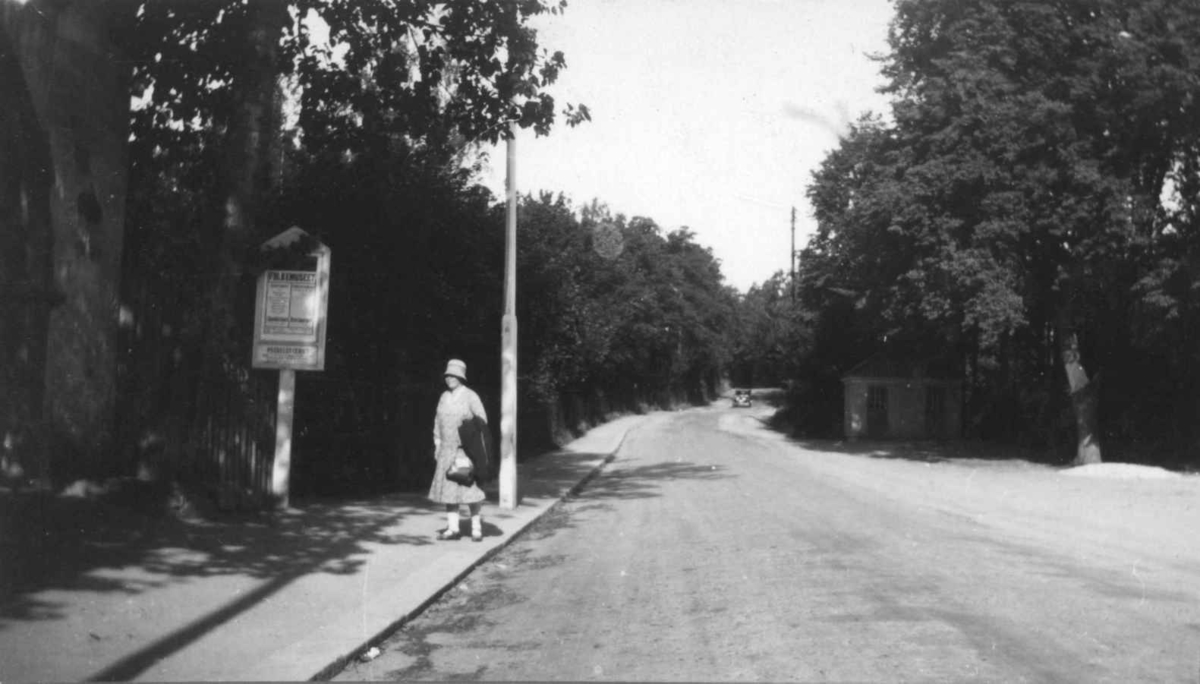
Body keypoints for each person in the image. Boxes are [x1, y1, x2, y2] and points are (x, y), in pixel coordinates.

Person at [429, 359, 488, 542]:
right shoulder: (444, 397)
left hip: (465, 451)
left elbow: (482, 421)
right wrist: (437, 443)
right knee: (449, 491)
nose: (450, 379)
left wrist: (470, 433)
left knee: (469, 489)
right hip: (446, 450)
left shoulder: (471, 396)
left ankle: (476, 528)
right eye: (448, 375)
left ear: (461, 377)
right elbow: (437, 422)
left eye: (454, 375)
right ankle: (453, 528)